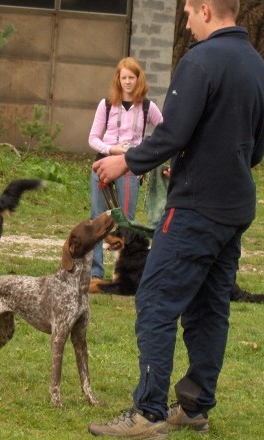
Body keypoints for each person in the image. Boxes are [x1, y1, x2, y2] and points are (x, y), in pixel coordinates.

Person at [88, 0, 264, 440]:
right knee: (210, 306)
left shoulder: (201, 61)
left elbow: (171, 134)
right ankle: (194, 407)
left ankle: (149, 412)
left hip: (196, 209)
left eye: (189, 12)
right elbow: (256, 150)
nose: (187, 23)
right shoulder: (259, 69)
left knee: (155, 298)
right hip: (235, 208)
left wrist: (126, 162)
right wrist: (195, 162)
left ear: (206, 10)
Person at [88, 57, 162, 281]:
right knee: (98, 218)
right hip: (103, 164)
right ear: (118, 80)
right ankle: (95, 272)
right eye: (123, 78)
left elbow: (166, 133)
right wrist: (112, 149)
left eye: (131, 77)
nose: (127, 82)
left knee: (126, 222)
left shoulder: (148, 107)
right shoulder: (107, 104)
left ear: (138, 79)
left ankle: (125, 272)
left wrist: (145, 157)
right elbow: (92, 138)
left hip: (131, 168)